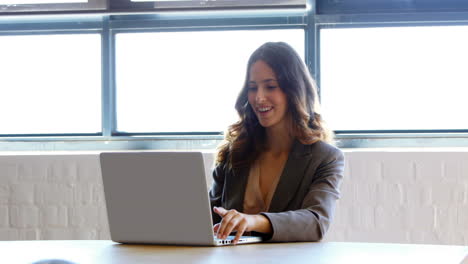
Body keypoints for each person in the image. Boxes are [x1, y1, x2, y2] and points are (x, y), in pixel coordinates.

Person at [209, 42, 345, 244]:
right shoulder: (233, 152)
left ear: (294, 91)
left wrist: (254, 221)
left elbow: (316, 221)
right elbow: (208, 218)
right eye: (252, 88)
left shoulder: (325, 157)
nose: (259, 97)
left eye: (271, 86)